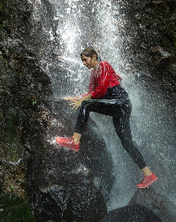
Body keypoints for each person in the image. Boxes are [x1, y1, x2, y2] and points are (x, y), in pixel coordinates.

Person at [56, 47, 158, 189]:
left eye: (85, 60)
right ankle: (148, 174)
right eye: (82, 61)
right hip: (118, 108)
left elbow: (101, 90)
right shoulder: (93, 74)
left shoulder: (104, 65)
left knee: (86, 105)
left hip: (121, 103)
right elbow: (91, 92)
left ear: (94, 56)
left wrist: (83, 100)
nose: (84, 63)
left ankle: (75, 141)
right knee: (126, 142)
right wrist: (74, 98)